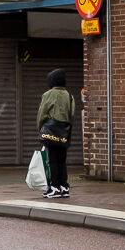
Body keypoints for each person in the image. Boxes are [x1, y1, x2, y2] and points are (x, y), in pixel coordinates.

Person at [37, 68, 77, 198]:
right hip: (64, 132)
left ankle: (54, 188)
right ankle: (64, 187)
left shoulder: (48, 94)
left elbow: (41, 114)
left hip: (51, 131)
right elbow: (72, 115)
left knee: (52, 160)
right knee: (62, 160)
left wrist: (41, 129)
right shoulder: (69, 96)